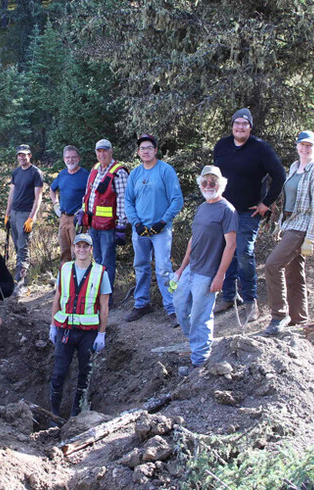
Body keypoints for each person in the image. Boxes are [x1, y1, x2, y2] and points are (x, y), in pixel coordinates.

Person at [212, 108, 286, 321]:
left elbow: (279, 175)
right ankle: (228, 296)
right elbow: (215, 176)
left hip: (249, 212)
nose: (240, 127)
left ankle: (250, 301)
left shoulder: (260, 148)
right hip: (224, 210)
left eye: (245, 123)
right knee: (225, 252)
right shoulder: (222, 146)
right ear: (232, 126)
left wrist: (266, 203)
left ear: (250, 127)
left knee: (244, 253)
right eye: (237, 123)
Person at [172, 166, 237, 375]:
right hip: (192, 268)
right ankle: (197, 346)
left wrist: (220, 276)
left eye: (213, 181)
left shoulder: (227, 210)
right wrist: (182, 268)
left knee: (201, 315)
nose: (209, 185)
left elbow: (231, 245)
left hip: (208, 273)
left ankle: (199, 362)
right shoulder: (202, 208)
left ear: (221, 184)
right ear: (200, 184)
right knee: (179, 306)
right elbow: (194, 239)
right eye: (205, 182)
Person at [263, 131, 314, 335]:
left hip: (302, 227)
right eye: (302, 145)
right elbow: (288, 200)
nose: (305, 149)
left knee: (272, 265)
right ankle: (299, 319)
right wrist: (280, 225)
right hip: (290, 224)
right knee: (294, 273)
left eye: (309, 145)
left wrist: (310, 237)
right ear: (297, 146)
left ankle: (279, 315)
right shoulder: (294, 167)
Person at [48, 233, 110, 420]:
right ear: (74, 249)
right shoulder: (65, 269)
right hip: (65, 329)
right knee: (59, 372)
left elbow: (105, 306)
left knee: (85, 373)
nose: (81, 250)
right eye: (78, 246)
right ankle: (54, 414)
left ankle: (77, 414)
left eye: (85, 246)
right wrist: (52, 325)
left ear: (91, 250)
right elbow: (57, 298)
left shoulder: (100, 273)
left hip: (88, 333)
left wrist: (102, 333)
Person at [124, 134, 184, 322]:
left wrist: (163, 221)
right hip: (140, 230)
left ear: (156, 150)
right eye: (142, 148)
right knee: (141, 266)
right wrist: (136, 223)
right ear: (138, 152)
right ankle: (141, 304)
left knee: (163, 268)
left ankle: (173, 307)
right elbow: (128, 201)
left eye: (149, 147)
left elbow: (177, 199)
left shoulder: (166, 171)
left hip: (161, 230)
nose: (146, 151)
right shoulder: (135, 174)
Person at [82, 138, 130, 285]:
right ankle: (96, 292)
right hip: (93, 225)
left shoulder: (119, 172)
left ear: (111, 151)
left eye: (105, 151)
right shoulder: (95, 168)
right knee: (97, 261)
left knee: (107, 263)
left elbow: (123, 199)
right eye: (99, 151)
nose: (102, 154)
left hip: (109, 227)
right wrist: (82, 212)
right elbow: (88, 194)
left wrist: (121, 225)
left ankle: (106, 297)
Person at [4, 144, 44, 283]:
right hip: (14, 213)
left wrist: (31, 218)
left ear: (30, 155)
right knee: (16, 245)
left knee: (23, 246)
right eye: (19, 155)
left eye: (24, 154)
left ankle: (21, 281)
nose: (22, 157)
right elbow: (12, 193)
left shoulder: (35, 173)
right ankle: (20, 275)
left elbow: (38, 197)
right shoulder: (16, 172)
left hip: (25, 214)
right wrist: (7, 213)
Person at [49, 145, 90, 263]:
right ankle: (65, 278)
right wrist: (56, 204)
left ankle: (79, 278)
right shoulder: (62, 175)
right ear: (64, 159)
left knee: (78, 250)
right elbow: (52, 189)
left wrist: (84, 208)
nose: (70, 160)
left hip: (78, 219)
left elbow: (91, 194)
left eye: (73, 157)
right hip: (63, 217)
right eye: (67, 157)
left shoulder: (85, 175)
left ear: (79, 158)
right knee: (64, 250)